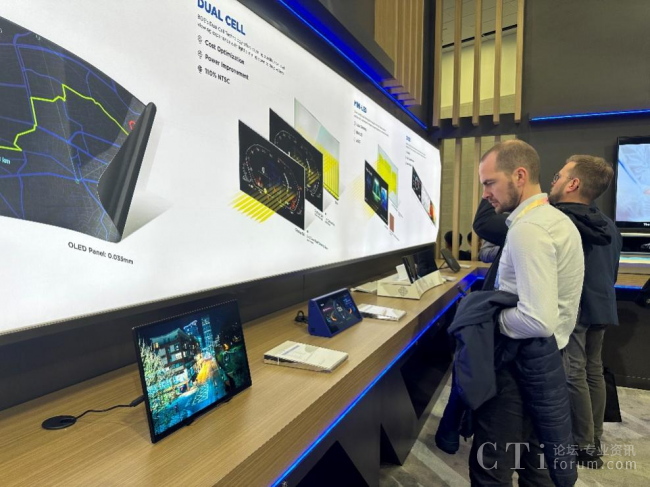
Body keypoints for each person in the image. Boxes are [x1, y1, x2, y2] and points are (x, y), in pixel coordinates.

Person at [469, 140, 584, 485]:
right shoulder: (554, 220)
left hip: (519, 366)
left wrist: (490, 321)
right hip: (546, 361)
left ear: (519, 176)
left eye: (490, 183)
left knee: (492, 468)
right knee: (535, 463)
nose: (486, 194)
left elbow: (537, 320)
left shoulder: (529, 230)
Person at [548, 155, 622, 468]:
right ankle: (594, 438)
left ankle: (583, 445)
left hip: (576, 307)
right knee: (592, 371)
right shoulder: (609, 225)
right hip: (603, 305)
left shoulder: (559, 221)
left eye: (559, 175)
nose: (553, 181)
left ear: (573, 183)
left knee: (573, 373)